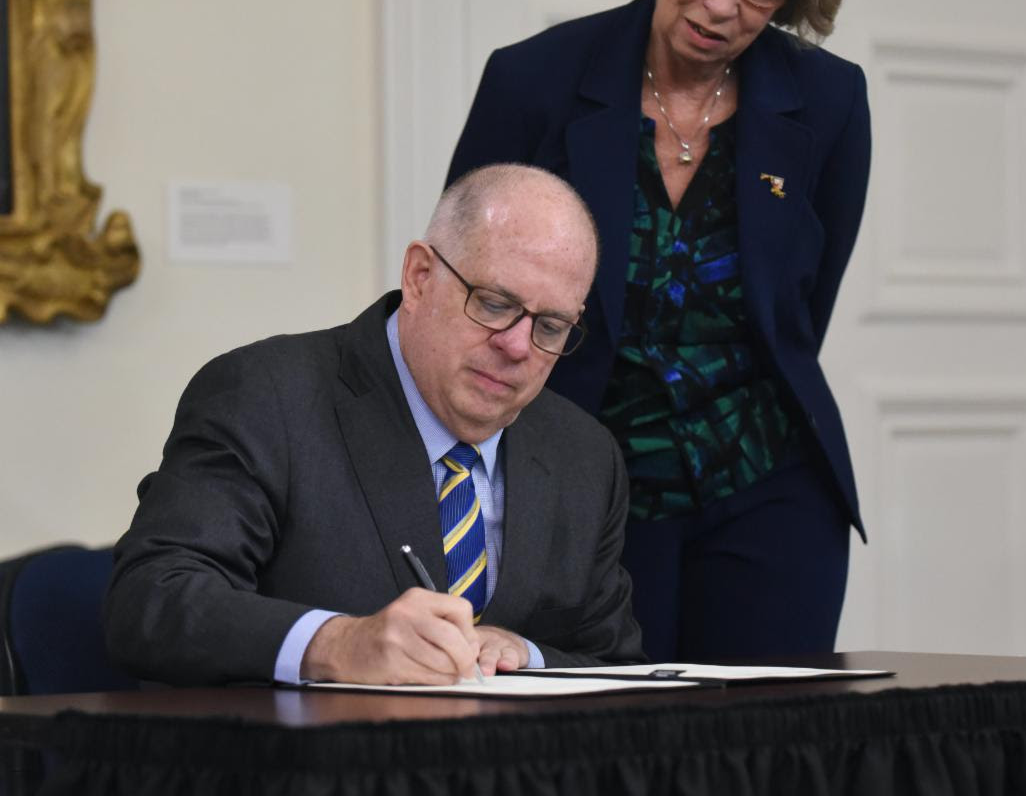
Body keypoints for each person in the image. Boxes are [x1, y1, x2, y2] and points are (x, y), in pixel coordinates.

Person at [447, 0, 869, 662]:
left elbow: (800, 311)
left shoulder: (828, 101)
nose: (721, 5)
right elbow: (465, 285)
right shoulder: (535, 81)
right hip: (583, 497)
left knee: (770, 750)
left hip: (767, 489)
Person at [104, 164, 644, 686]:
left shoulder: (583, 454)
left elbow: (617, 665)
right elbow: (151, 601)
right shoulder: (268, 398)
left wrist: (525, 656)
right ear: (419, 277)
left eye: (550, 327)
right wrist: (338, 644)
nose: (518, 346)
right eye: (495, 304)